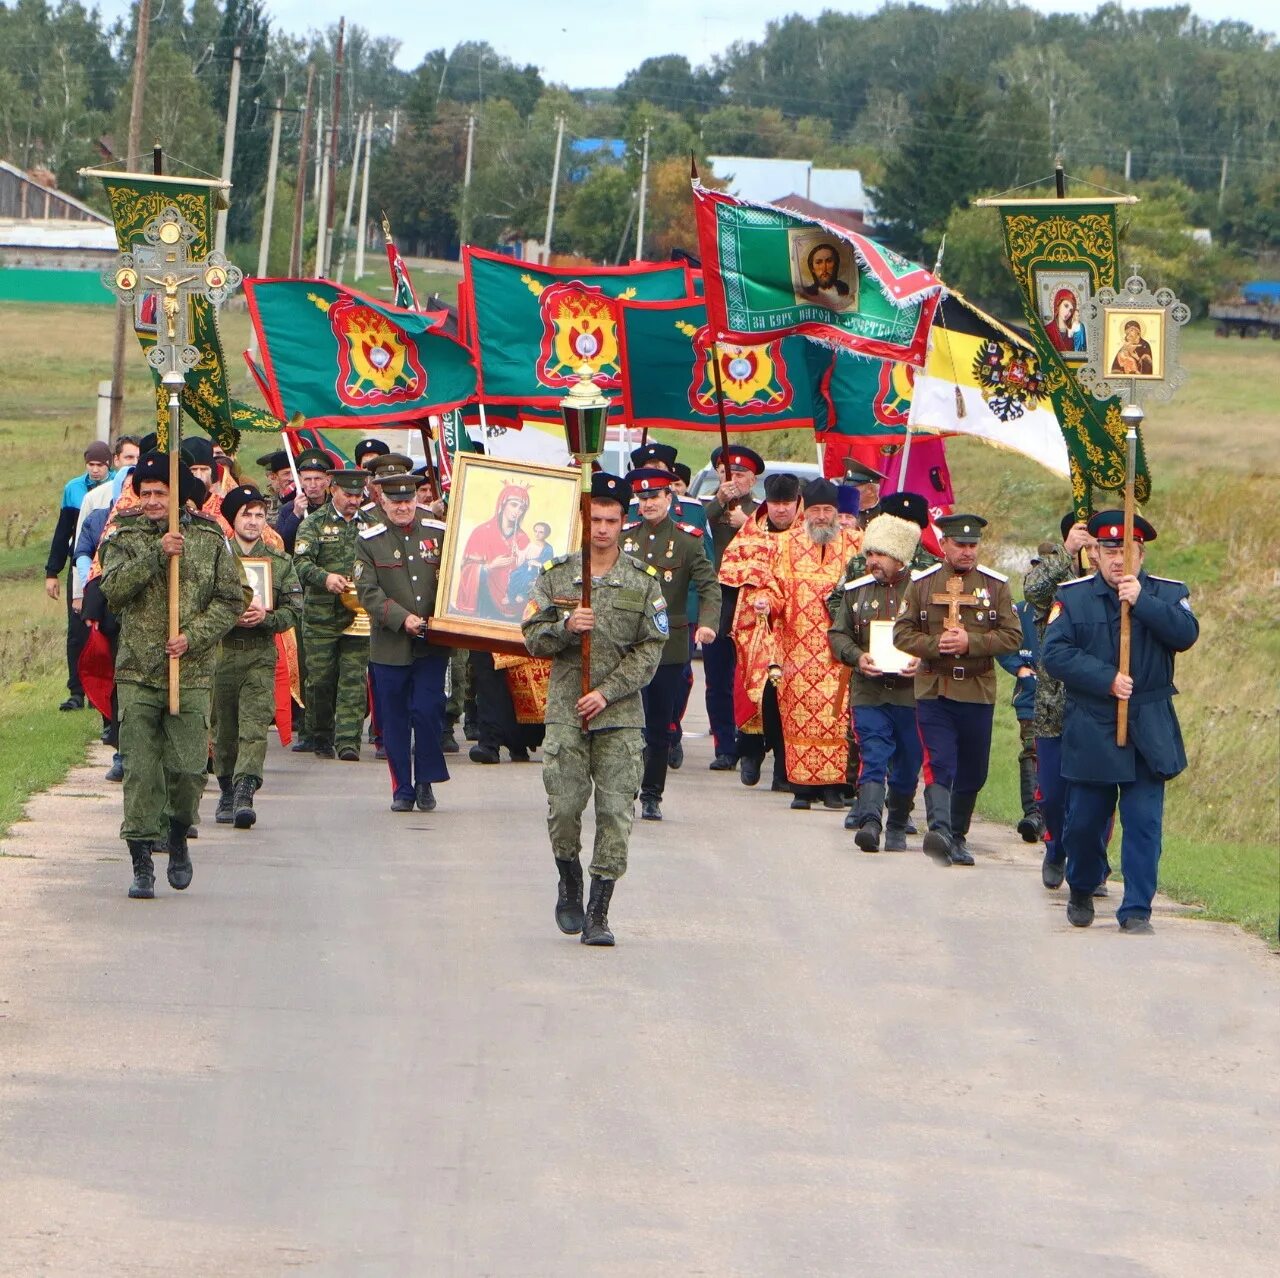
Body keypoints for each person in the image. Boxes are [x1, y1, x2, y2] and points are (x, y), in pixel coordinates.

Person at [522, 471, 667, 946]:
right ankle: (568, 878)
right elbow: (532, 638)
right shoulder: (556, 576)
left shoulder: (642, 582)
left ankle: (599, 910)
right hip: (566, 709)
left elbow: (651, 648)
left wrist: (607, 691)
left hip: (619, 715)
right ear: (583, 521)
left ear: (623, 523)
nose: (602, 528)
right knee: (564, 807)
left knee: (615, 812)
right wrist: (566, 625)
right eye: (595, 519)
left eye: (611, 520)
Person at [98, 452, 246, 898]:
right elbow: (114, 589)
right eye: (145, 493)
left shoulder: (207, 537)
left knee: (185, 771)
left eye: (161, 493)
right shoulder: (125, 536)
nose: (151, 501)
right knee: (141, 773)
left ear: (179, 496)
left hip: (192, 671)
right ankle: (141, 863)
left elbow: (232, 597)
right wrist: (156, 555)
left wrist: (193, 637)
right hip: (138, 672)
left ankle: (179, 835)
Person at [1042, 511, 1198, 933]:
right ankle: (1081, 885)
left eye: (1127, 551)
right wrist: (1106, 679)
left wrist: (1141, 602)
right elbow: (1054, 654)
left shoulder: (1167, 593)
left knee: (1144, 824)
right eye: (1109, 551)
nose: (1118, 560)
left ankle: (1136, 910)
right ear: (1094, 554)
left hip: (1149, 725)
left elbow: (1186, 634)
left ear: (1141, 554)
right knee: (1086, 823)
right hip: (1093, 724)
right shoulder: (1072, 598)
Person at [893, 513, 1022, 865]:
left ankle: (958, 835)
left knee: (973, 770)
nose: (967, 552)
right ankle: (940, 831)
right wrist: (937, 645)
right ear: (945, 545)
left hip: (978, 688)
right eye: (960, 545)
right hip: (934, 687)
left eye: (973, 545)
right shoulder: (922, 585)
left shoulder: (995, 586)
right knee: (940, 761)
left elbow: (1013, 636)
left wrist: (970, 642)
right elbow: (901, 633)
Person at [748, 478, 863, 810]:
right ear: (804, 511)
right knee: (798, 717)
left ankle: (834, 786)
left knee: (837, 718)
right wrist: (765, 602)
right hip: (796, 650)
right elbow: (772, 586)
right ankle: (800, 787)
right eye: (816, 510)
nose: (823, 517)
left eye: (828, 510)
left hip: (839, 650)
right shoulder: (783, 545)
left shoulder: (855, 545)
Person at [621, 467, 720, 819]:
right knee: (627, 723)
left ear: (669, 498)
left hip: (668, 643)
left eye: (655, 497)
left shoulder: (688, 540)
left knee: (659, 724)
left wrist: (707, 625)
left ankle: (651, 794)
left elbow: (709, 586)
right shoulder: (623, 538)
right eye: (642, 498)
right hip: (625, 645)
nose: (648, 504)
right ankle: (624, 790)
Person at [828, 511, 924, 851]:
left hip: (911, 694)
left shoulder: (922, 592)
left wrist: (921, 659)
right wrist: (857, 657)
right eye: (869, 554)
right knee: (873, 753)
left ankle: (897, 822)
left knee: (909, 761)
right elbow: (838, 635)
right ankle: (869, 821)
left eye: (879, 554)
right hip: (868, 691)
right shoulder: (856, 593)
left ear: (898, 557)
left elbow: (937, 638)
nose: (872, 561)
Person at [355, 472, 451, 813]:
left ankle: (425, 780)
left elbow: (455, 579)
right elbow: (368, 592)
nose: (403, 507)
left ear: (417, 500)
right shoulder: (369, 541)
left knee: (427, 711)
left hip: (431, 643)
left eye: (408, 501)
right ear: (383, 501)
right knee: (394, 719)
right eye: (395, 502)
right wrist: (401, 618)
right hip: (390, 646)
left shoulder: (439, 534)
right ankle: (403, 789)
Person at [211, 484, 302, 830]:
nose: (253, 521)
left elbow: (294, 610)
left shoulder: (279, 563)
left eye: (259, 514)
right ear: (233, 519)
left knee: (254, 725)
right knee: (223, 729)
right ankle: (225, 789)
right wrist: (227, 616)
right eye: (246, 514)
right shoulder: (218, 559)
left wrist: (267, 618)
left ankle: (245, 791)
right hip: (222, 654)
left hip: (260, 654)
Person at [1024, 513, 1100, 889]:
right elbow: (1033, 592)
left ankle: (1092, 865)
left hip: (1098, 703)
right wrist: (1067, 553)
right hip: (1054, 704)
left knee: (1098, 793)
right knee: (1054, 793)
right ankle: (1056, 848)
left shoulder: (1115, 582)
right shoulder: (1056, 574)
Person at [626, 440, 711, 770]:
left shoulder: (690, 515)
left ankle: (667, 738)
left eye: (659, 478)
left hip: (675, 618)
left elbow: (705, 571)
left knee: (679, 685)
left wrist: (701, 617)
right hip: (631, 630)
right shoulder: (626, 522)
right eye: (642, 494)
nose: (647, 501)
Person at [292, 466, 379, 760]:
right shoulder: (314, 524)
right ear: (334, 490)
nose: (354, 501)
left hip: (360, 616)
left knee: (354, 679)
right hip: (321, 617)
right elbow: (300, 564)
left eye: (358, 495)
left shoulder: (372, 525)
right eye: (348, 494)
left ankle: (348, 741)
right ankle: (320, 733)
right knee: (320, 679)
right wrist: (324, 577)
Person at [723, 472, 801, 789]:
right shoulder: (750, 535)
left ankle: (783, 771)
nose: (781, 510)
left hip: (796, 629)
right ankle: (751, 753)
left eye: (787, 503)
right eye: (775, 503)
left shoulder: (809, 540)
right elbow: (730, 578)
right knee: (754, 694)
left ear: (798, 503)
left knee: (788, 698)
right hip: (755, 630)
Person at [702, 444, 763, 769]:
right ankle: (724, 745)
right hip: (718, 599)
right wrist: (720, 503)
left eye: (740, 475)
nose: (733, 479)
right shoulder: (708, 507)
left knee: (752, 676)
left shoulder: (762, 513)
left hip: (752, 600)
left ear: (752, 481)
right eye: (727, 473)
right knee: (718, 677)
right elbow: (696, 530)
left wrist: (749, 522)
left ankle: (751, 740)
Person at [45, 439, 115, 711]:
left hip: (106, 566)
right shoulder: (73, 489)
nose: (95, 470)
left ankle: (102, 689)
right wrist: (53, 571)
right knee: (77, 632)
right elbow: (63, 533)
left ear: (109, 465)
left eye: (100, 465)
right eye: (91, 464)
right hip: (79, 565)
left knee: (105, 630)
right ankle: (76, 691)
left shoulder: (116, 489)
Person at [995, 584, 1045, 846]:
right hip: (1031, 695)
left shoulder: (1070, 605)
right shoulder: (1021, 611)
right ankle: (1034, 814)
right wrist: (1019, 670)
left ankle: (1053, 815)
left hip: (1070, 696)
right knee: (1032, 749)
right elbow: (1003, 643)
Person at [455, 482, 532, 620]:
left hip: (514, 605)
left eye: (521, 508)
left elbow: (528, 571)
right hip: (485, 600)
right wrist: (490, 566)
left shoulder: (523, 538)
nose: (517, 511)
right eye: (513, 505)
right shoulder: (482, 532)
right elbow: (467, 569)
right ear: (503, 504)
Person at [800, 242, 853, 311]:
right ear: (812, 268)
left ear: (836, 265)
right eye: (818, 262)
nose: (824, 268)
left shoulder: (845, 288)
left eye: (829, 261)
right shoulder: (807, 292)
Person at [1046, 287, 1087, 354]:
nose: (1068, 313)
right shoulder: (1047, 330)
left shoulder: (1074, 331)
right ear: (1058, 304)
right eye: (1066, 306)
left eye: (1071, 310)